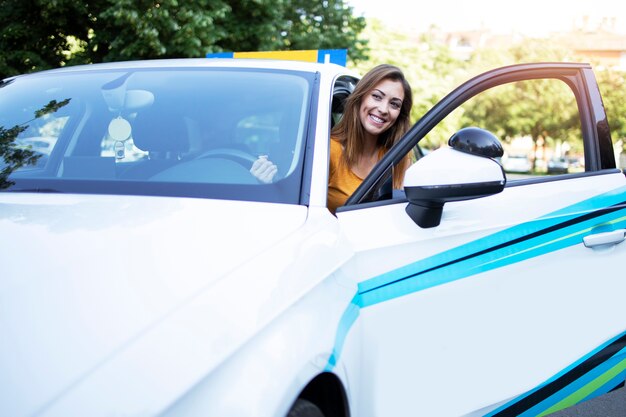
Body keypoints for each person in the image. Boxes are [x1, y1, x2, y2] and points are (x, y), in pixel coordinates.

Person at [327, 64, 413, 213]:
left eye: (394, 104)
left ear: (400, 114)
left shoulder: (400, 161)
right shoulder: (329, 151)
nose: (383, 109)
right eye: (377, 97)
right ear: (361, 97)